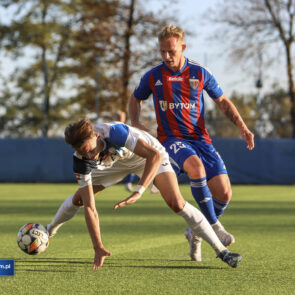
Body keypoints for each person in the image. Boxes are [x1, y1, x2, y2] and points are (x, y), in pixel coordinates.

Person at [128, 24, 255, 262]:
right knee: (196, 168)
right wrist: (135, 121)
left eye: (171, 51)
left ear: (182, 47)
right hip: (171, 139)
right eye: (162, 51)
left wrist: (242, 126)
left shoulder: (199, 72)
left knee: (225, 193)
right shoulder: (154, 76)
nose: (166, 56)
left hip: (200, 139)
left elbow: (223, 102)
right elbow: (135, 98)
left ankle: (195, 232)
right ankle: (215, 228)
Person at [46, 118, 242, 270]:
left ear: (96, 137)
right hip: (114, 164)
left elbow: (153, 156)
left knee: (176, 203)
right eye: (82, 152)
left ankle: (222, 252)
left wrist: (139, 191)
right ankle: (49, 230)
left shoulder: (115, 133)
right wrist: (97, 247)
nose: (88, 156)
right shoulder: (81, 160)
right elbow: (90, 207)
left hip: (147, 156)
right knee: (80, 199)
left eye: (88, 149)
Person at [114, 110, 136, 192]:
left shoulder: (127, 128)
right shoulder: (112, 126)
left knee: (133, 164)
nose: (121, 119)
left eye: (122, 117)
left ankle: (128, 183)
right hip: (112, 152)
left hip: (123, 152)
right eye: (119, 117)